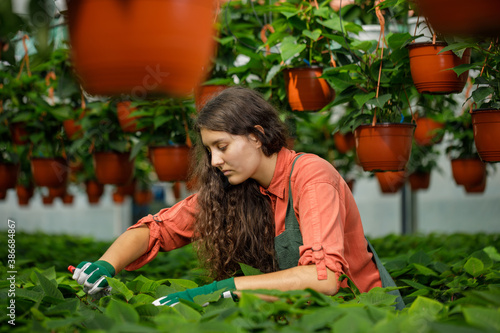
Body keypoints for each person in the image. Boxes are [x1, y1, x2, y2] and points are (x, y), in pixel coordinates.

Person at [72, 86, 404, 309]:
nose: (214, 161)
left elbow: (325, 278)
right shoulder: (234, 185)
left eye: (222, 147)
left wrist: (217, 291)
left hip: (364, 316)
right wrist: (105, 264)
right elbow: (161, 228)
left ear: (258, 136)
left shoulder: (311, 177)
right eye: (209, 150)